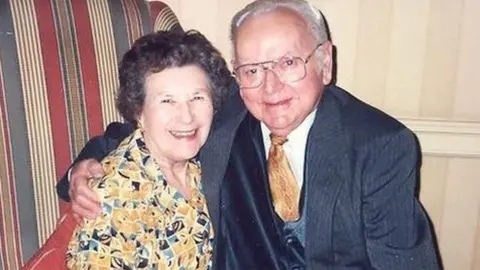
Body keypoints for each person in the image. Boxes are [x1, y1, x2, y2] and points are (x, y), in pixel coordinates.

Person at [58, 0, 440, 269]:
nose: (270, 88)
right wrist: (82, 171)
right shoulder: (220, 110)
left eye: (289, 63)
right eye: (252, 69)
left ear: (325, 63)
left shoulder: (378, 147)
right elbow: (141, 129)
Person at [65, 30, 232, 269]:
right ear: (138, 111)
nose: (186, 117)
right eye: (167, 101)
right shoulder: (112, 199)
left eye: (197, 98)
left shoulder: (198, 167)